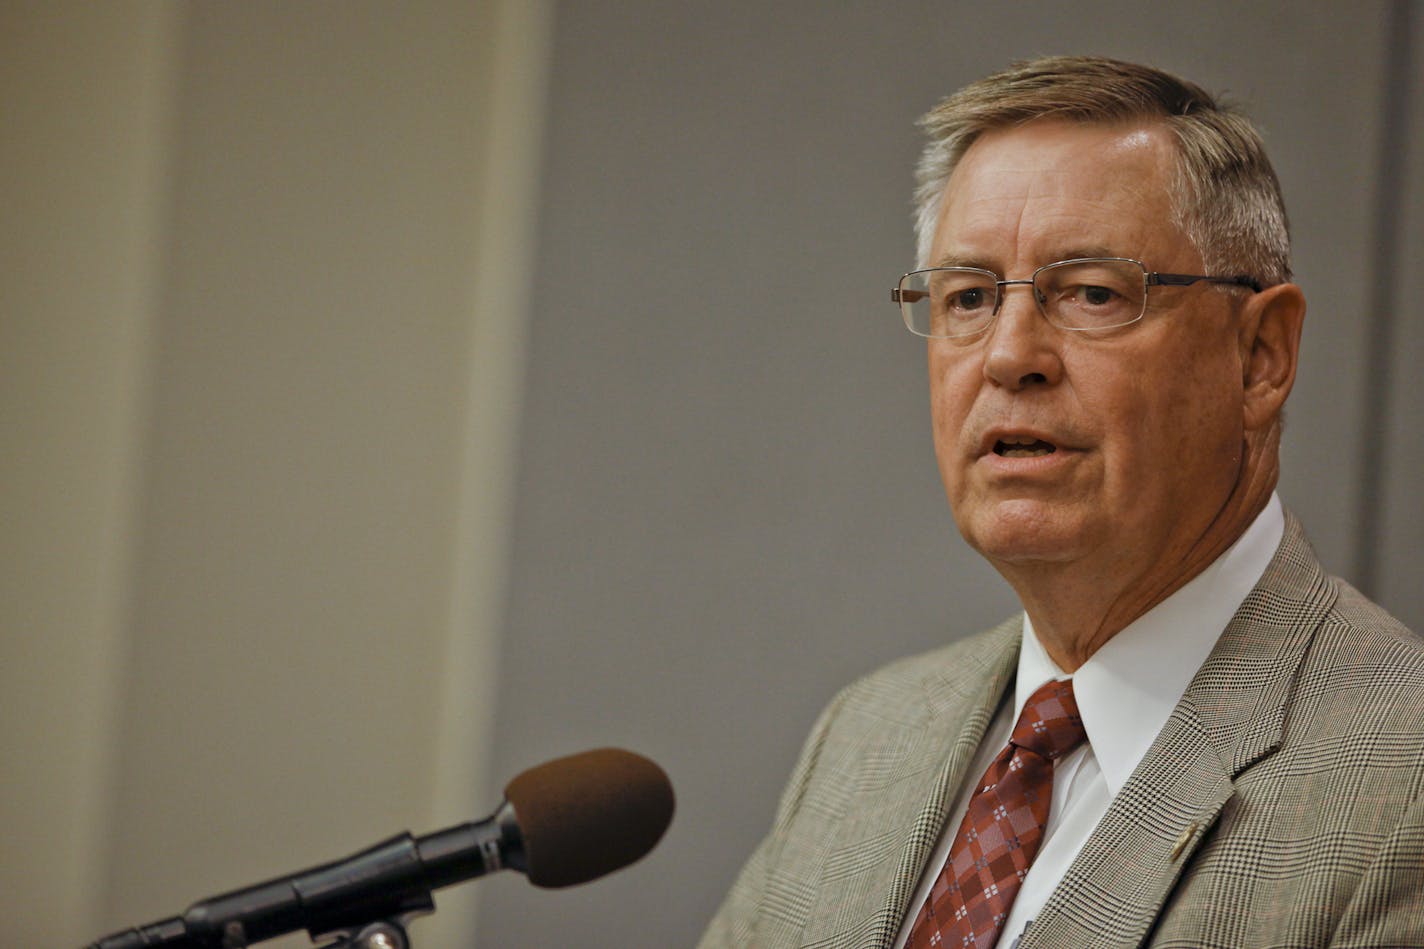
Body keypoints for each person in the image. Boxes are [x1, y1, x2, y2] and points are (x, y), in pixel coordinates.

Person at [699, 56, 1424, 949]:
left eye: (1091, 293)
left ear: (1260, 356)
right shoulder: (864, 737)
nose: (1009, 355)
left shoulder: (1402, 779)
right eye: (967, 296)